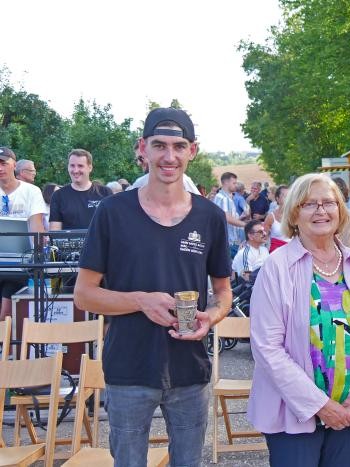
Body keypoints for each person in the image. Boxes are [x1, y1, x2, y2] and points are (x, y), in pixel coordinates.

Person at [73, 108, 232, 466]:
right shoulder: (113, 212)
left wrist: (212, 317)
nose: (169, 156)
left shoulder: (210, 217)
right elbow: (84, 294)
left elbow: (223, 293)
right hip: (129, 368)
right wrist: (140, 300)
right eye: (159, 145)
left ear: (193, 150)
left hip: (190, 368)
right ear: (142, 148)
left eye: (179, 146)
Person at [247, 173, 350, 467]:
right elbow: (268, 349)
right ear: (294, 213)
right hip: (292, 415)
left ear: (340, 210)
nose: (321, 210)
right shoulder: (276, 267)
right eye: (309, 204)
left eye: (328, 203)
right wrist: (321, 406)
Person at [0, 147, 47, 321]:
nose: (0, 168)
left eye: (4, 163)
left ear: (14, 165)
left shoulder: (31, 191)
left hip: (19, 259)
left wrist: (40, 252)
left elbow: (37, 225)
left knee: (6, 308)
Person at [49, 149, 113, 230]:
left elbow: (113, 225)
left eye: (80, 166)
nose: (75, 170)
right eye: (72, 165)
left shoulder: (105, 192)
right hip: (69, 242)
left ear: (90, 168)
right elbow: (55, 233)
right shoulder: (58, 195)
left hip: (99, 242)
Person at [128, 135, 200, 194]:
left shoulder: (184, 181)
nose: (139, 163)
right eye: (159, 146)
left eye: (140, 158)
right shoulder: (139, 183)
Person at [213, 172, 246, 258]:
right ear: (226, 183)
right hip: (230, 242)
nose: (236, 185)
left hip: (226, 240)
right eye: (234, 183)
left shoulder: (220, 196)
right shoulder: (224, 199)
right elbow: (227, 218)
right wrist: (246, 225)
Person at [264, 185, 291, 252]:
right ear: (277, 198)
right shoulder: (271, 217)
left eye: (290, 196)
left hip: (293, 253)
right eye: (285, 196)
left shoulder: (296, 215)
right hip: (276, 254)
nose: (288, 199)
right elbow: (263, 237)